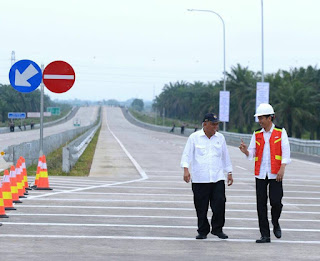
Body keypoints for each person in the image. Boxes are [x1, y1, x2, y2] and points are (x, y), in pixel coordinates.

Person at [239, 103, 291, 243]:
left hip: (276, 173)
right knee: (260, 204)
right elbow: (252, 153)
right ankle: (265, 235)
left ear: (270, 118)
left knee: (276, 202)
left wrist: (282, 168)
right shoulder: (257, 134)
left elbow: (286, 152)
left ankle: (275, 221)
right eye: (259, 118)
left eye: (262, 118)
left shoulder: (280, 132)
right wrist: (245, 151)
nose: (260, 121)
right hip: (260, 174)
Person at [181, 113, 233, 240]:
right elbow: (187, 154)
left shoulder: (220, 138)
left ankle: (217, 229)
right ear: (205, 124)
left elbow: (225, 156)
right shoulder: (194, 137)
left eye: (217, 124)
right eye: (213, 124)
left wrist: (229, 172)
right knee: (201, 206)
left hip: (217, 177)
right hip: (200, 178)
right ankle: (203, 230)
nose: (216, 127)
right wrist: (186, 170)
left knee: (220, 204)